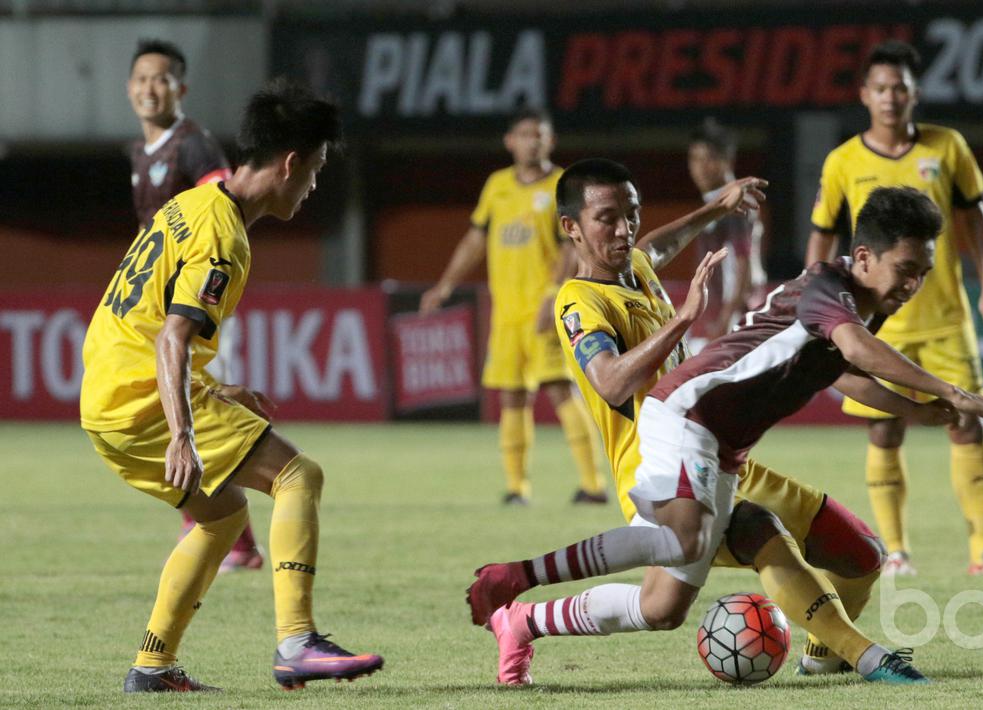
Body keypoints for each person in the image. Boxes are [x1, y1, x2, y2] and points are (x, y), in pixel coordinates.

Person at [468, 171, 983, 686]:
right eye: (607, 217)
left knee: (845, 560)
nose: (625, 228)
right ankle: (863, 656)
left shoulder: (640, 270)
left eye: (630, 214)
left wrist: (714, 208)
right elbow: (610, 383)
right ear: (572, 228)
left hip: (725, 447)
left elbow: (836, 364)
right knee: (752, 535)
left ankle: (523, 619)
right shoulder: (578, 300)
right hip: (665, 441)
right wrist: (947, 390)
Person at [81, 79, 383, 692]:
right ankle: (297, 641)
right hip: (144, 403)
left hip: (105, 401)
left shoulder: (195, 203)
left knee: (221, 517)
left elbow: (153, 330)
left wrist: (215, 391)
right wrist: (184, 435)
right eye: (316, 169)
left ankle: (152, 666)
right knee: (300, 475)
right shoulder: (224, 236)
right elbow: (170, 339)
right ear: (291, 162)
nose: (315, 185)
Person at [806, 40, 983, 577]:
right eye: (882, 88)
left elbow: (976, 217)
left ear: (916, 94)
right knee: (884, 430)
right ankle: (895, 553)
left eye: (901, 89)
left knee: (966, 424)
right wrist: (816, 304)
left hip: (945, 318)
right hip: (872, 324)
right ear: (865, 95)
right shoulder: (843, 161)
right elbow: (821, 234)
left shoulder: (947, 147)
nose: (891, 98)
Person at [420, 108, 605, 506]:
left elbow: (569, 246)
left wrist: (553, 295)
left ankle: (593, 485)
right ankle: (517, 488)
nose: (531, 141)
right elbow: (475, 239)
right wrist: (446, 284)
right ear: (510, 141)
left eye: (539, 134)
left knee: (559, 390)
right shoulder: (497, 185)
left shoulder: (562, 185)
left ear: (550, 141)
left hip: (544, 308)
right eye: (524, 134)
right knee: (511, 396)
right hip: (506, 313)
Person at [126, 38, 263, 572]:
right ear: (128, 88)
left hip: (195, 306)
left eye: (160, 79)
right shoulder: (142, 152)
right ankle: (231, 539)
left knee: (201, 414)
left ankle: (229, 537)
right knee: (178, 412)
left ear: (180, 88)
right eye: (140, 79)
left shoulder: (193, 144)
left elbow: (222, 204)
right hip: (160, 310)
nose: (148, 88)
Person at [683, 119, 766, 351]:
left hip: (737, 322)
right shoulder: (716, 202)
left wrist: (724, 321)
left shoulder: (734, 204)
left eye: (707, 158)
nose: (699, 167)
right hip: (723, 320)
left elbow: (743, 265)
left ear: (726, 160)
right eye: (694, 159)